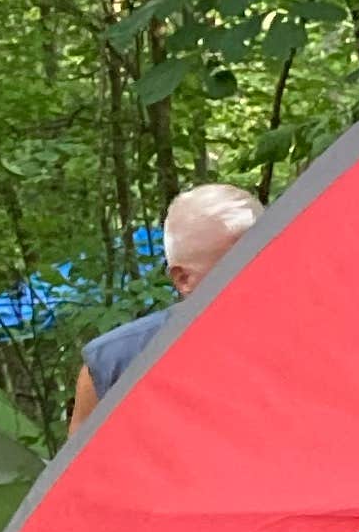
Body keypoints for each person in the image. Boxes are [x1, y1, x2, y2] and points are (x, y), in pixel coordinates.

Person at [65, 181, 261, 433]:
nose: (256, 274)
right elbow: (87, 470)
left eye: (265, 256)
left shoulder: (309, 336)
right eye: (237, 265)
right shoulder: (115, 364)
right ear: (183, 279)